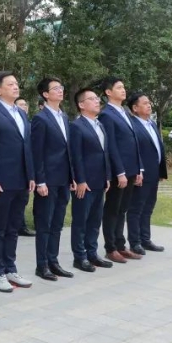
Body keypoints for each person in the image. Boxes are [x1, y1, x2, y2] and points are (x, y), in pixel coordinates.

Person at [0, 72, 35, 293]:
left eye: (16, 83)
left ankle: (11, 268)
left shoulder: (20, 113)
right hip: (1, 181)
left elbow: (26, 147)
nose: (15, 87)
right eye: (10, 84)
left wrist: (31, 176)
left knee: (13, 227)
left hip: (21, 180)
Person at [30, 78, 75, 281]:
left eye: (61, 87)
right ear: (45, 94)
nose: (60, 91)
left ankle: (53, 261)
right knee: (44, 224)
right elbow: (37, 152)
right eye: (55, 88)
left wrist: (72, 176)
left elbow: (68, 150)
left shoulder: (63, 116)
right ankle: (42, 265)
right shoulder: (40, 119)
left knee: (57, 223)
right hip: (47, 180)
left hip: (64, 179)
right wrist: (40, 181)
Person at [98, 77, 144, 263]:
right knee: (113, 209)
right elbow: (111, 146)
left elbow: (133, 142)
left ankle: (120, 245)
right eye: (119, 87)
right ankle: (110, 248)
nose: (123, 90)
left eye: (124, 87)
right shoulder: (106, 114)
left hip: (132, 169)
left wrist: (139, 168)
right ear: (108, 92)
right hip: (120, 172)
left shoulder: (125, 112)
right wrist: (120, 172)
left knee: (123, 209)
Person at [69, 88, 114, 272]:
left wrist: (107, 176)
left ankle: (92, 253)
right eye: (92, 99)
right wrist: (80, 180)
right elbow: (76, 156)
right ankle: (79, 257)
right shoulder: (76, 126)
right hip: (84, 183)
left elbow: (105, 153)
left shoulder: (99, 125)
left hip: (100, 181)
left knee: (95, 221)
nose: (97, 101)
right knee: (81, 221)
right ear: (81, 104)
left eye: (97, 98)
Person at [126, 93, 167, 254]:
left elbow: (158, 149)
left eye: (149, 102)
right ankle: (135, 242)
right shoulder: (132, 125)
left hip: (154, 173)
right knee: (136, 208)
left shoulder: (151, 124)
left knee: (148, 207)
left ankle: (145, 239)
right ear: (135, 108)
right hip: (141, 174)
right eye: (144, 103)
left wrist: (161, 171)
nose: (149, 105)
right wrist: (137, 170)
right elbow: (132, 151)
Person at [15, 98, 35, 237]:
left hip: (27, 167)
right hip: (12, 169)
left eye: (25, 104)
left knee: (23, 200)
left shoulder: (28, 122)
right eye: (21, 104)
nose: (24, 107)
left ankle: (21, 226)